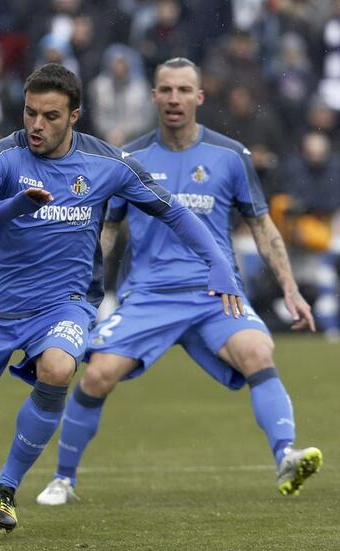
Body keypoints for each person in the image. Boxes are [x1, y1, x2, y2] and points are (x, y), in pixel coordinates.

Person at [0, 62, 242, 539]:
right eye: (31, 113)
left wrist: (217, 261)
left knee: (58, 368)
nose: (37, 125)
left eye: (51, 116)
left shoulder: (109, 164)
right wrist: (17, 204)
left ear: (74, 115)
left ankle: (6, 488)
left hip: (65, 304)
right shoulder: (2, 156)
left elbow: (173, 212)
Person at [36, 57, 322, 508]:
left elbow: (264, 227)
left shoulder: (231, 156)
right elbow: (107, 230)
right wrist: (77, 289)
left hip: (215, 295)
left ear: (199, 97)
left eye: (183, 90)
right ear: (153, 97)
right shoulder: (128, 159)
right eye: (166, 90)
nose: (174, 98)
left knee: (258, 351)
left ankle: (286, 454)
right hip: (149, 295)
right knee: (96, 375)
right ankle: (63, 478)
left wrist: (289, 287)